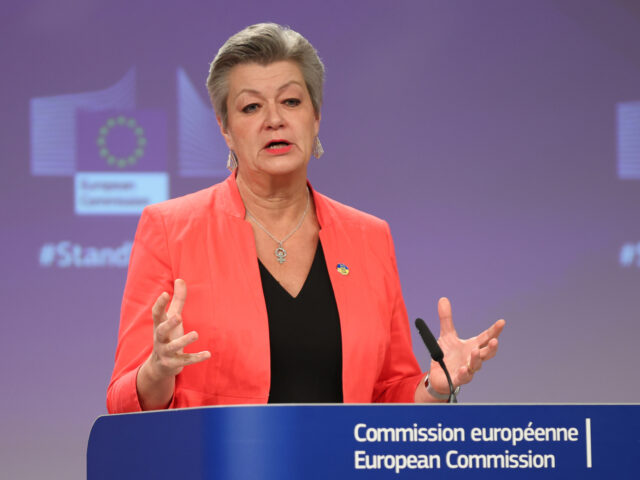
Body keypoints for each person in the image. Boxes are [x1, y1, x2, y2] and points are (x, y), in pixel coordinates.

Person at [107, 23, 504, 413]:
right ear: (225, 130)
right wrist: (157, 370)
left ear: (315, 117)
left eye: (291, 101)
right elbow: (122, 402)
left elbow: (386, 393)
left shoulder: (369, 237)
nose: (274, 119)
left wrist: (433, 387)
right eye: (251, 107)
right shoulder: (169, 228)